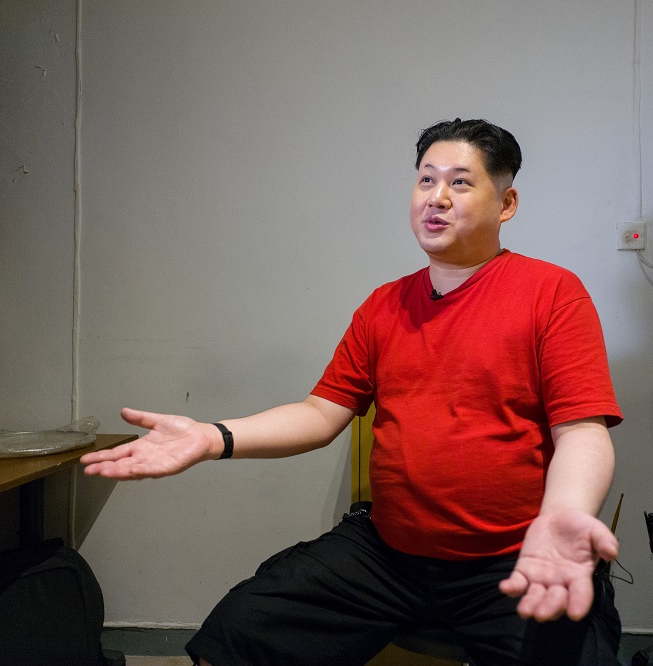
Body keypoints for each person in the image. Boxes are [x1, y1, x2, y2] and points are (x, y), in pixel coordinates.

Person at [82, 118, 624, 665]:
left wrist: (563, 515)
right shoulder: (384, 305)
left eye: (460, 182)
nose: (436, 197)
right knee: (240, 632)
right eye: (426, 179)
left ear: (506, 203)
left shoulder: (552, 293)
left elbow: (582, 432)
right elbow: (320, 414)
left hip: (513, 556)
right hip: (389, 556)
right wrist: (212, 437)